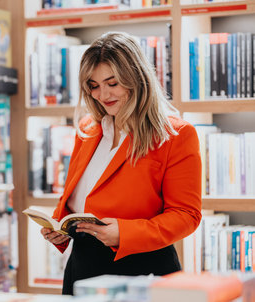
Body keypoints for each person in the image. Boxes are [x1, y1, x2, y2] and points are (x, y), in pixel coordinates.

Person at [40, 32, 202, 295]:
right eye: (93, 86)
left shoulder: (176, 135)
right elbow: (79, 197)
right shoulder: (88, 130)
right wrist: (61, 227)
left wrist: (125, 233)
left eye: (112, 83)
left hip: (143, 270)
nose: (102, 94)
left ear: (136, 78)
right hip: (83, 269)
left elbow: (187, 216)